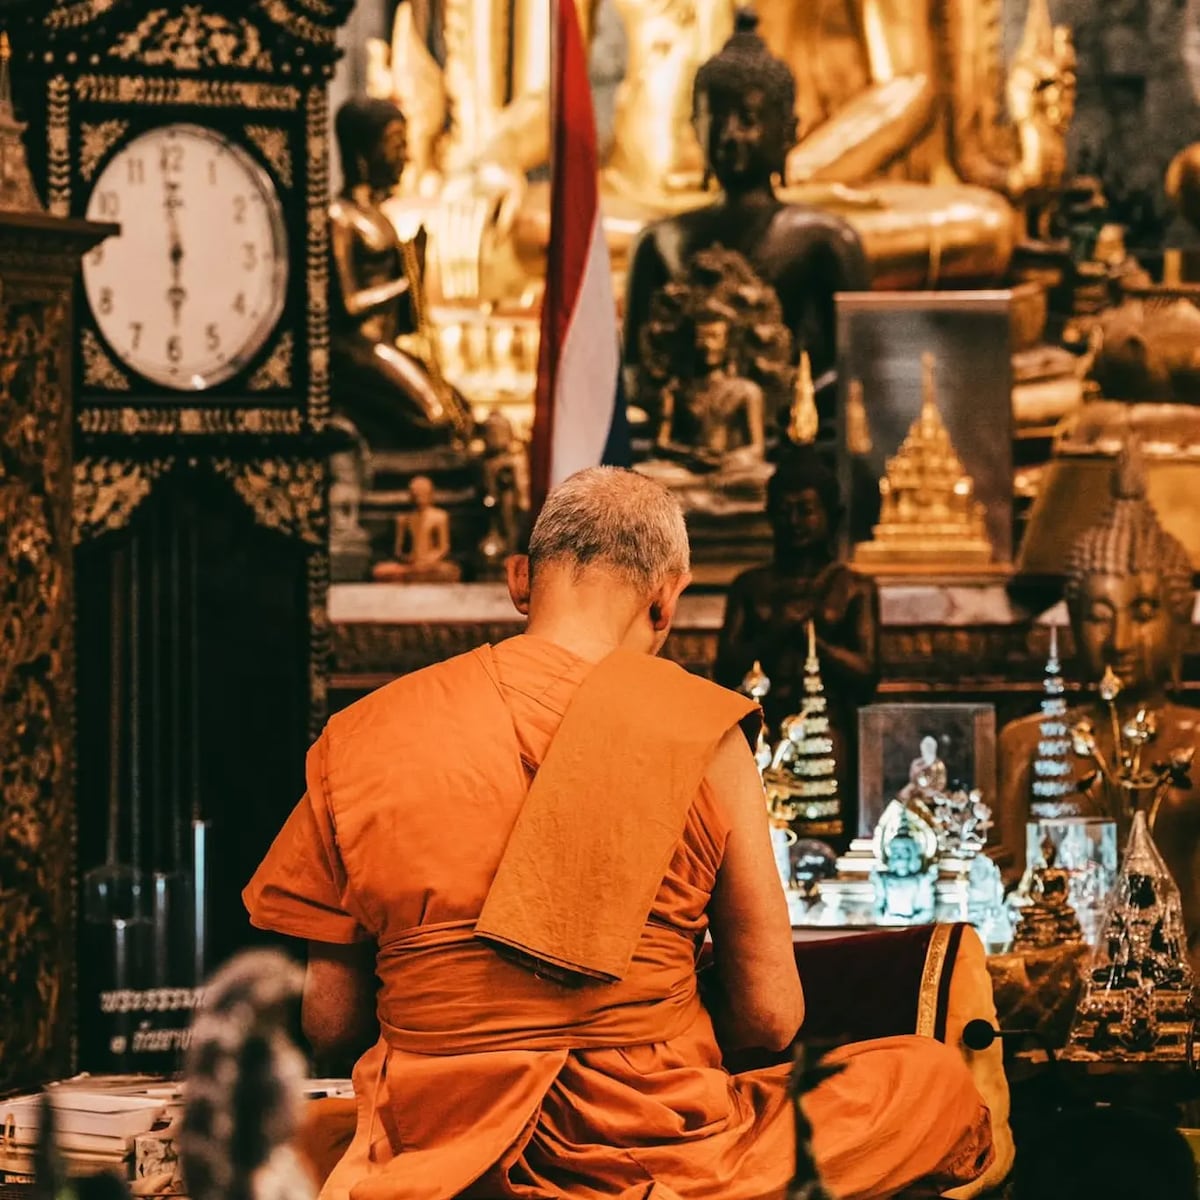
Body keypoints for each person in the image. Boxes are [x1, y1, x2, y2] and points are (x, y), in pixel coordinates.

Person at [245, 467, 994, 1200]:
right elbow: (771, 1017)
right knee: (929, 1083)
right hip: (656, 1141)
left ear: (518, 581)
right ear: (664, 605)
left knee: (296, 1137)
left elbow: (331, 1023)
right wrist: (639, 1024)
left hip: (436, 1145)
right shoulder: (698, 728)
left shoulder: (362, 734)